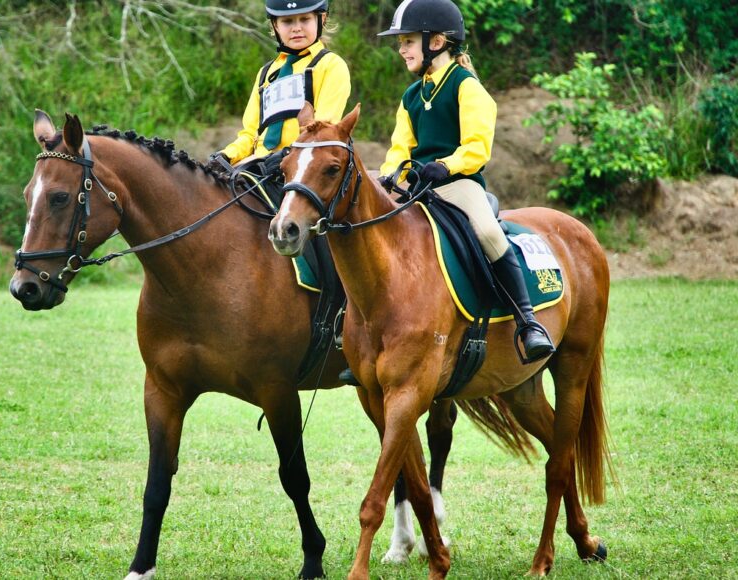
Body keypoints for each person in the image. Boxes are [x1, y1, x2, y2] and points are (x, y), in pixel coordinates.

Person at [379, 0, 554, 364]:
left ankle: (528, 322)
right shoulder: (411, 97)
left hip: (458, 184)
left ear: (436, 42)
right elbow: (400, 147)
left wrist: (445, 165)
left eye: (408, 41)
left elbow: (477, 147)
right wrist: (390, 173)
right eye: (401, 43)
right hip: (419, 189)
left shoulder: (466, 86)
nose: (402, 49)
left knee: (488, 233)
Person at [205, 0, 351, 176]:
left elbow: (322, 132)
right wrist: (227, 155)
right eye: (287, 21)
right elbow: (250, 134)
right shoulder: (265, 72)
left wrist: (282, 157)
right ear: (275, 25)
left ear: (322, 19)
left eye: (304, 19)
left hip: (302, 169)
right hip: (260, 166)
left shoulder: (331, 65)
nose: (296, 28)